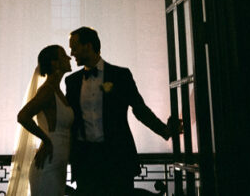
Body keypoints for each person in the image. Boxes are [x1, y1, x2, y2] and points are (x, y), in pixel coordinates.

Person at [65, 26, 180, 196]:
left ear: (88, 46)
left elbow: (139, 109)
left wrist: (164, 130)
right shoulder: (72, 81)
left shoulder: (121, 75)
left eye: (74, 47)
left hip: (117, 157)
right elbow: (68, 119)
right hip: (85, 160)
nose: (72, 53)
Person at [11, 45, 75, 196]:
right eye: (64, 55)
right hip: (47, 165)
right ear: (54, 63)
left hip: (59, 164)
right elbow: (23, 116)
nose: (69, 58)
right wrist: (46, 141)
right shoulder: (47, 91)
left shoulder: (58, 90)